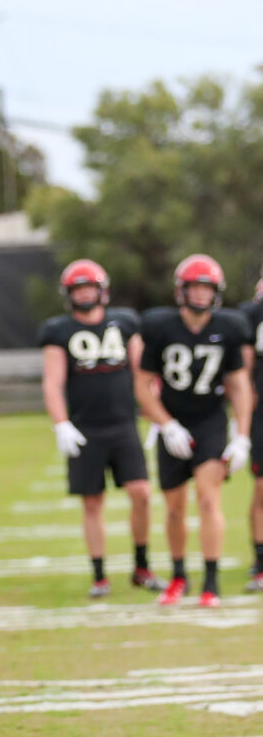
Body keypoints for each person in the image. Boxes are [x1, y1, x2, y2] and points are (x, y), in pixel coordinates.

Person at [135, 254, 253, 607]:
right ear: (181, 291)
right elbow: (141, 384)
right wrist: (165, 424)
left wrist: (242, 435)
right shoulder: (159, 327)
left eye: (207, 288)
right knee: (173, 508)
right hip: (172, 419)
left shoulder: (230, 327)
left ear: (216, 292)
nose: (201, 295)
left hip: (210, 421)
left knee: (207, 498)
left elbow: (240, 384)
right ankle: (179, 576)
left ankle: (211, 582)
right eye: (194, 287)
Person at [39, 259, 161, 598]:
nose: (84, 294)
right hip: (85, 427)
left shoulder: (124, 323)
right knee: (92, 502)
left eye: (89, 287)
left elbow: (143, 373)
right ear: (69, 294)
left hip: (124, 424)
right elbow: (52, 382)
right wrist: (61, 423)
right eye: (78, 289)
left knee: (142, 493)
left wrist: (158, 416)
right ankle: (99, 575)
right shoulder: (58, 331)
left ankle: (141, 565)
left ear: (102, 290)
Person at [239, 273, 263, 593]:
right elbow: (241, 371)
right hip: (261, 413)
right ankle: (260, 560)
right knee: (262, 488)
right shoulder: (251, 316)